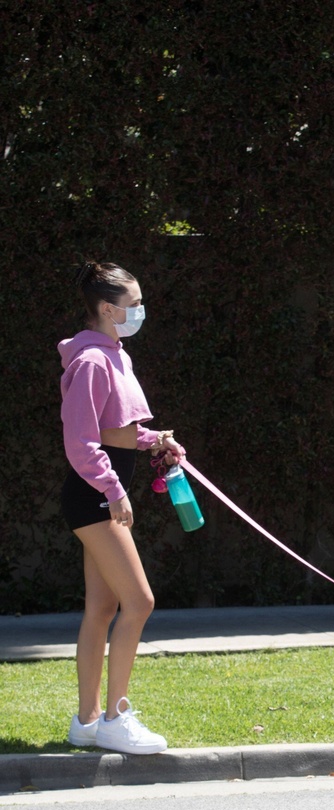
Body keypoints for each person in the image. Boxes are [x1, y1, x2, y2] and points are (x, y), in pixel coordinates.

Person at [59, 261, 185, 755]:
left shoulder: (114, 354)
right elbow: (81, 441)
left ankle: (87, 722)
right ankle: (116, 718)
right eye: (133, 305)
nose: (139, 311)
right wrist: (113, 490)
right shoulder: (92, 361)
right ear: (107, 309)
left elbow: (118, 429)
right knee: (140, 602)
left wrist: (156, 441)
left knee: (103, 607)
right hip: (93, 496)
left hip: (97, 494)